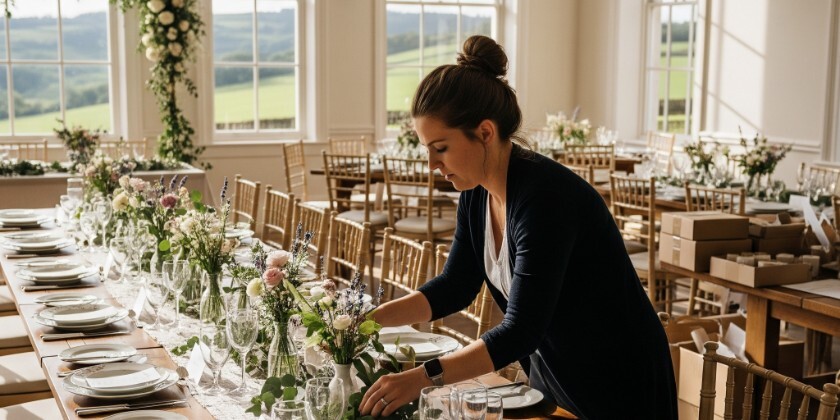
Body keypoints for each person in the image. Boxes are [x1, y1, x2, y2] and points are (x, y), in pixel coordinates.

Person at [359, 35, 677, 419]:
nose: (431, 165)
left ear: (485, 133)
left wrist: (421, 378)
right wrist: (366, 321)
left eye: (440, 148)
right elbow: (455, 286)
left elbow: (521, 330)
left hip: (616, 379)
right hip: (556, 375)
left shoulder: (545, 197)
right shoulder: (476, 193)